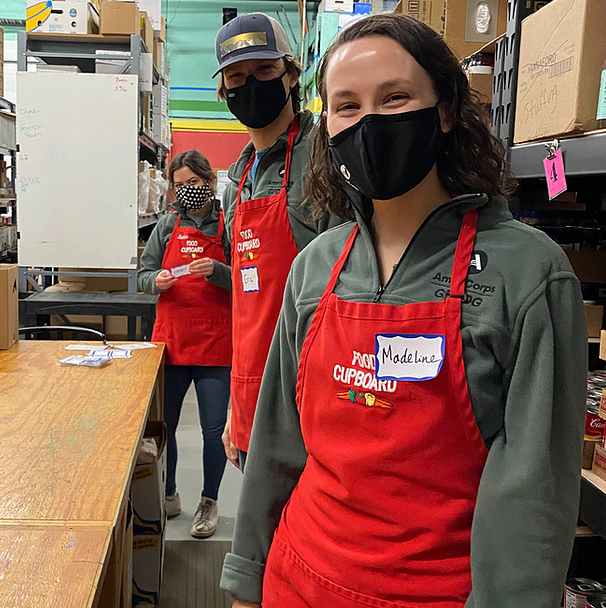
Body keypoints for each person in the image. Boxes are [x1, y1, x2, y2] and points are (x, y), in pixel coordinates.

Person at [219, 13, 587, 608]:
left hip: (436, 593)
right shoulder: (316, 267)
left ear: (444, 110)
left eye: (395, 98)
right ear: (328, 125)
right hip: (299, 579)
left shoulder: (529, 275)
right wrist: (246, 578)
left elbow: (533, 493)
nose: (369, 123)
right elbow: (276, 445)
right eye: (347, 106)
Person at [212, 12, 340, 470]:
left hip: (311, 398)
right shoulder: (238, 175)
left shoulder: (324, 155)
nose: (250, 85)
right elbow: (248, 305)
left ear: (291, 74)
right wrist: (236, 404)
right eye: (237, 77)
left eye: (264, 71)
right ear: (224, 91)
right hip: (251, 392)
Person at [138, 149, 232, 539]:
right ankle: (170, 492)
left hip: (216, 343)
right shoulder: (166, 224)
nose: (187, 191)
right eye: (179, 185)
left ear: (209, 182)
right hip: (173, 342)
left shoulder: (232, 224)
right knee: (167, 426)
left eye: (193, 183)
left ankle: (209, 502)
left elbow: (250, 280)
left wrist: (219, 271)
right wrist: (154, 280)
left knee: (214, 432)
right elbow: (142, 275)